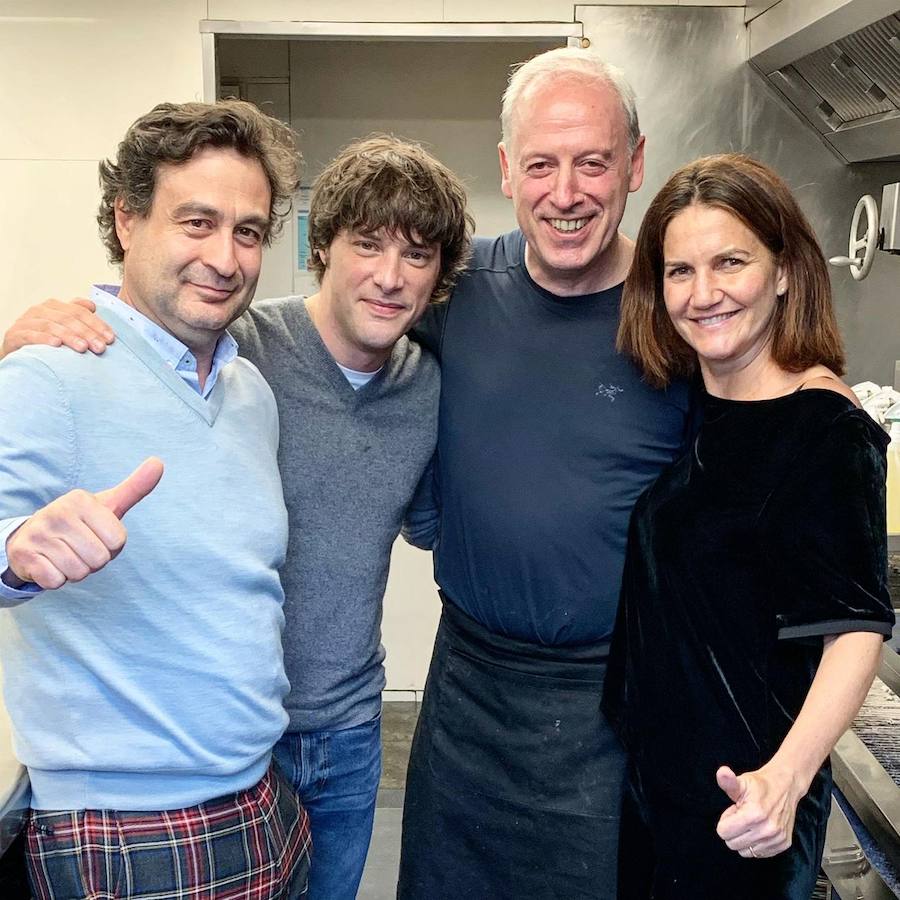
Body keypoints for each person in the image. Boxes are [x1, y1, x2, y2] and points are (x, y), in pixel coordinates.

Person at [1, 134, 473, 899]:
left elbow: (441, 525)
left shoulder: (416, 387)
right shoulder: (241, 346)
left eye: (417, 256)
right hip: (190, 770)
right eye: (366, 246)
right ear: (321, 246)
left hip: (340, 736)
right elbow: (130, 344)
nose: (389, 277)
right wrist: (18, 347)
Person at [397, 48, 695, 898]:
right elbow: (324, 326)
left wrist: (820, 382)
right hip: (469, 695)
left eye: (593, 162)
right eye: (541, 164)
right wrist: (100, 315)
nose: (566, 194)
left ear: (635, 163)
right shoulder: (455, 290)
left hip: (618, 707)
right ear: (506, 170)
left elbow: (778, 402)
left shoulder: (681, 307)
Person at [0, 100, 311, 898]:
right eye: (196, 222)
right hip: (125, 830)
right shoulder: (49, 372)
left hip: (261, 801)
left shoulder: (250, 392)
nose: (226, 256)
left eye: (247, 231)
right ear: (128, 219)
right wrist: (15, 551)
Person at [603, 153, 894, 898]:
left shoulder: (825, 425)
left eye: (730, 262)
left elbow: (858, 624)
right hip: (660, 788)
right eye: (679, 271)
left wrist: (785, 780)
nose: (703, 295)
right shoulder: (703, 400)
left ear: (786, 270)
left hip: (748, 804)